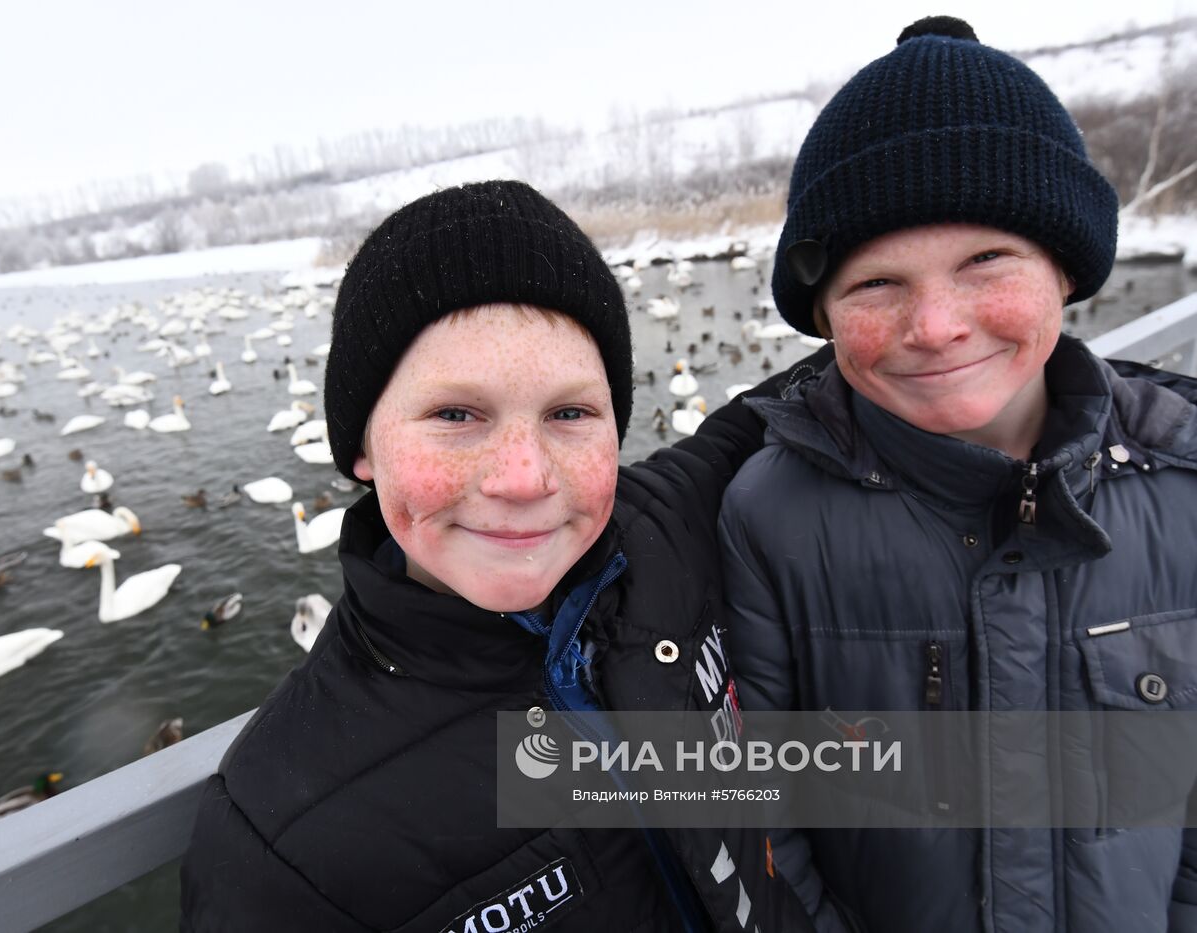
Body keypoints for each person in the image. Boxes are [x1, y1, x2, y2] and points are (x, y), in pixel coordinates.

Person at [180, 180, 821, 931]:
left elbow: (827, 384)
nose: (524, 479)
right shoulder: (280, 842)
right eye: (455, 414)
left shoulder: (664, 520)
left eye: (571, 413)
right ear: (361, 448)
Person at [718, 15, 1197, 933]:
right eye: (876, 284)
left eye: (986, 262)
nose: (935, 325)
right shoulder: (770, 515)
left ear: (1064, 269)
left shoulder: (1181, 487)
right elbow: (765, 811)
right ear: (820, 313)